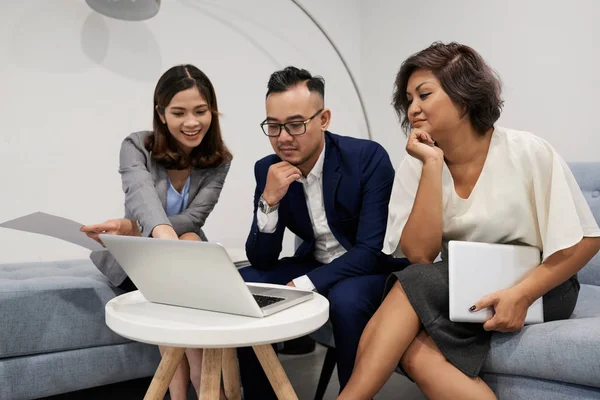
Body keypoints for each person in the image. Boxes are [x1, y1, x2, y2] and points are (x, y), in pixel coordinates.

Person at [338, 42, 600, 400]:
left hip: (543, 284)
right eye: (408, 99)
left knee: (411, 285)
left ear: (464, 96)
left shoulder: (527, 151)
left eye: (424, 94)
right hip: (466, 284)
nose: (413, 108)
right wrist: (431, 166)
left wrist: (521, 294)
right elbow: (420, 254)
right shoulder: (417, 162)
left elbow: (587, 240)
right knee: (416, 350)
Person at [237, 66, 402, 399]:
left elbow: (371, 250)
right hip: (315, 263)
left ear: (323, 119)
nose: (283, 137)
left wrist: (305, 284)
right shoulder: (267, 169)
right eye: (273, 126)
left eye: (296, 124)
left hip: (371, 269)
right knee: (245, 282)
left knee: (346, 298)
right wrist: (269, 201)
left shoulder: (367, 158)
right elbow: (262, 257)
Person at [81, 64, 232, 400]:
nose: (191, 123)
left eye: (200, 111)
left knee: (189, 242)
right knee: (174, 261)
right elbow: (140, 194)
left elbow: (195, 218)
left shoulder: (219, 160)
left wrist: (133, 227)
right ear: (161, 114)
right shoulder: (136, 146)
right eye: (179, 112)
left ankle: (191, 386)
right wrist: (157, 236)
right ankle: (202, 384)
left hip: (182, 252)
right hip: (143, 257)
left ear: (212, 112)